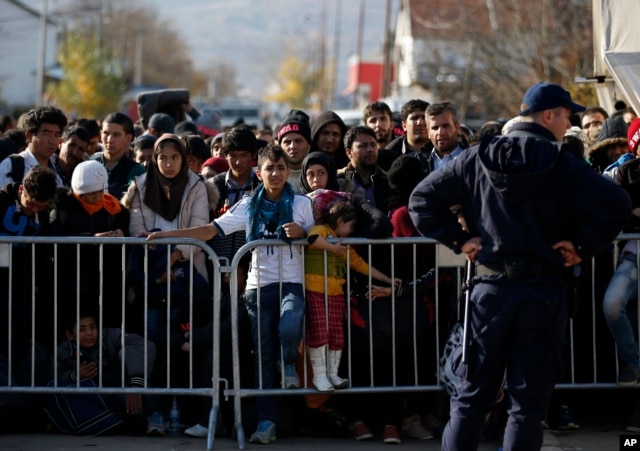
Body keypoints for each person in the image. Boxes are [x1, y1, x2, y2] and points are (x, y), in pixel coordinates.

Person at [408, 82, 631, 451]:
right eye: (565, 116)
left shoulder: (476, 157)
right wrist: (581, 246)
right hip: (543, 293)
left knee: (471, 399)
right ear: (548, 116)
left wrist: (459, 240)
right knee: (526, 407)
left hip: (490, 292)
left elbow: (422, 200)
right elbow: (618, 204)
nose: (567, 123)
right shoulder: (564, 164)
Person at [147, 144, 315, 445]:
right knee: (262, 358)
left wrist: (302, 234)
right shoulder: (248, 205)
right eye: (269, 168)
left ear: (287, 171)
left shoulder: (302, 204)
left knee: (290, 328)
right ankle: (266, 422)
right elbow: (211, 231)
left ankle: (287, 361)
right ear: (258, 172)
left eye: (280, 168)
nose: (275, 174)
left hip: (291, 284)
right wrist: (164, 235)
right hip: (257, 288)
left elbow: (314, 236)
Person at [122, 133, 211, 346]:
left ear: (182, 158)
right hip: (150, 271)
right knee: (151, 331)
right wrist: (159, 262)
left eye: (175, 157)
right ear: (155, 158)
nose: (169, 164)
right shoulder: (141, 186)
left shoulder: (196, 186)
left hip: (187, 271)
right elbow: (137, 229)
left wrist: (175, 255)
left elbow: (199, 229)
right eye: (162, 158)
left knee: (181, 334)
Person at [304, 198, 398, 392]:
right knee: (319, 333)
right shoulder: (323, 231)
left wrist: (388, 279)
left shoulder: (345, 244)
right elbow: (312, 238)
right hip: (315, 292)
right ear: (339, 222)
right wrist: (333, 248)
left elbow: (362, 266)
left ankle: (332, 374)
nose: (353, 231)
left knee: (337, 335)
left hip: (336, 293)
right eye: (351, 226)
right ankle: (320, 376)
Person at [45, 307, 157, 436]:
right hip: (99, 402)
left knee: (130, 356)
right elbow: (51, 381)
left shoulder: (109, 335)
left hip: (125, 391)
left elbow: (145, 345)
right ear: (69, 335)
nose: (89, 333)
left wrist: (135, 387)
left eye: (92, 327)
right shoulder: (63, 351)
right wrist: (75, 376)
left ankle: (155, 415)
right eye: (82, 329)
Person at [50, 160, 129, 329]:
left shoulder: (113, 208)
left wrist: (121, 235)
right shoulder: (63, 207)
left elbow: (127, 236)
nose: (95, 197)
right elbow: (54, 240)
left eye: (98, 192)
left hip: (105, 283)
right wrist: (90, 239)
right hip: (71, 284)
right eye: (89, 194)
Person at [0, 106, 67, 187]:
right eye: (46, 134)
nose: (52, 141)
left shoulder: (57, 171)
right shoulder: (11, 166)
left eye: (57, 135)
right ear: (29, 136)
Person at [338, 125, 393, 214]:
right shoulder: (338, 180)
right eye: (363, 146)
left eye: (373, 145)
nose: (370, 149)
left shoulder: (387, 181)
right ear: (348, 152)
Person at [92, 112, 145, 199]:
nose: (110, 140)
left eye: (116, 135)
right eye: (106, 133)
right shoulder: (91, 166)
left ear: (128, 138)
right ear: (100, 135)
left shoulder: (136, 170)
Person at [378, 99, 431, 172]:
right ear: (404, 125)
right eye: (414, 118)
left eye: (424, 118)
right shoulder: (390, 154)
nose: (420, 122)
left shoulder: (443, 151)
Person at [277, 114, 312, 192]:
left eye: (298, 141)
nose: (293, 146)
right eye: (287, 142)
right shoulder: (271, 176)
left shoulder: (318, 175)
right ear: (280, 146)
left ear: (309, 145)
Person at [426, 102, 464, 171]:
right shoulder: (418, 163)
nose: (440, 132)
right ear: (428, 132)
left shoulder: (474, 159)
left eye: (446, 126)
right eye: (435, 128)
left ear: (457, 128)